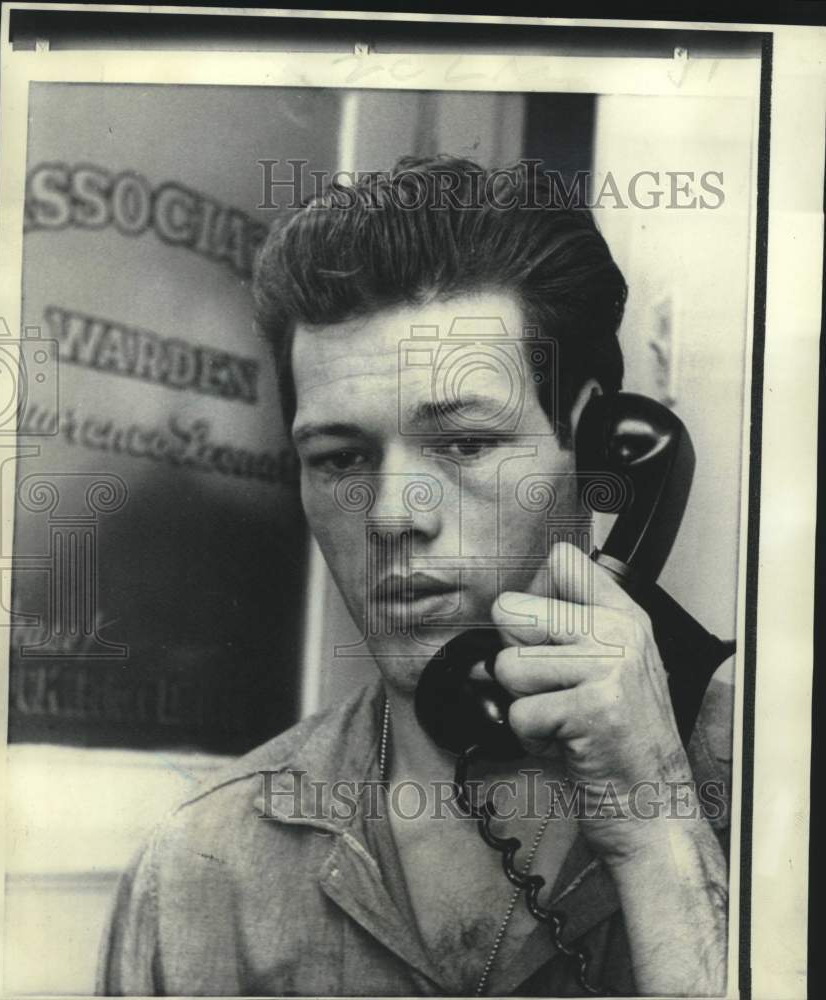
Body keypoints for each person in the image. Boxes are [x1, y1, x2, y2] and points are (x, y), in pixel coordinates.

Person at [97, 157, 732, 997]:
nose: (393, 512)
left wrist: (655, 830)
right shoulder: (199, 872)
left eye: (465, 444)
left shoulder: (782, 780)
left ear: (601, 447)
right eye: (342, 457)